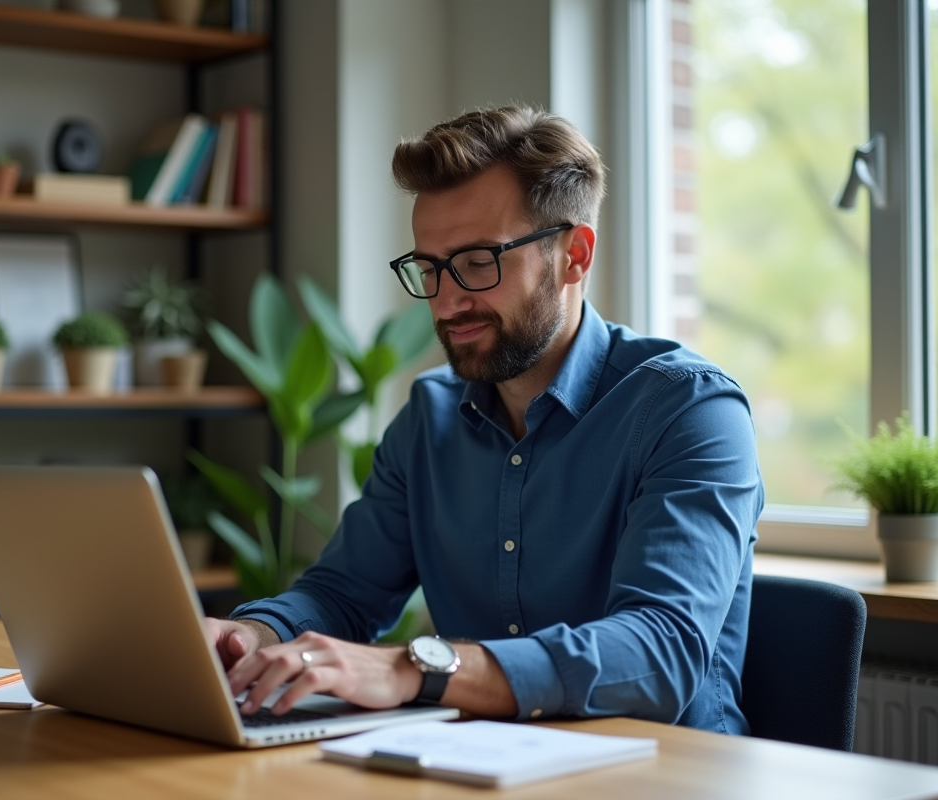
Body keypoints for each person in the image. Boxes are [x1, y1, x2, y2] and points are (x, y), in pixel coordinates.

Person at [205, 105, 764, 733]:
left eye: (477, 262)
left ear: (574, 255)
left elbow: (658, 654)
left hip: (666, 776)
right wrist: (245, 637)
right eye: (429, 268)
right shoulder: (429, 417)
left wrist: (416, 669)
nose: (446, 301)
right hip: (480, 768)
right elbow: (341, 594)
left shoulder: (689, 410)